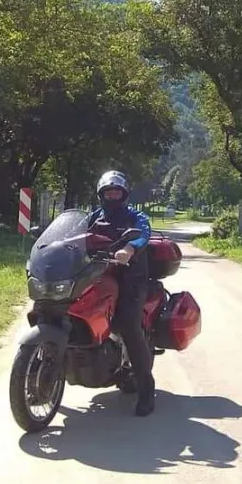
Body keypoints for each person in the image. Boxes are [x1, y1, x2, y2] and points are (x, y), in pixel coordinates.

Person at [88, 171, 156, 416]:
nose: (112, 195)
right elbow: (74, 236)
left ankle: (147, 390)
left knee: (128, 325)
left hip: (131, 280)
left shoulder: (135, 216)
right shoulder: (93, 217)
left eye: (117, 192)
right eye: (108, 192)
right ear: (102, 195)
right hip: (98, 276)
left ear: (124, 194)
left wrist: (129, 248)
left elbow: (144, 234)